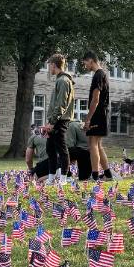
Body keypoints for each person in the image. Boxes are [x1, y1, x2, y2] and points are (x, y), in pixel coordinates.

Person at [45, 54, 75, 185]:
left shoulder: (63, 80)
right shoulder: (60, 79)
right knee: (50, 149)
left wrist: (52, 122)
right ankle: (51, 178)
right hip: (54, 119)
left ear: (53, 65)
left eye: (49, 65)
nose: (48, 68)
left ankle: (63, 179)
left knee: (62, 150)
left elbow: (61, 104)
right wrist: (49, 122)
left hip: (60, 120)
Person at [83, 52, 112, 181]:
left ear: (91, 61)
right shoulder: (102, 74)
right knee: (98, 144)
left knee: (93, 143)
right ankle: (108, 174)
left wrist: (88, 118)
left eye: (85, 63)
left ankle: (94, 176)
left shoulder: (98, 75)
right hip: (101, 113)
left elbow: (95, 99)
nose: (85, 66)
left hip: (98, 113)